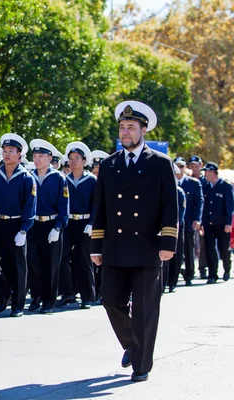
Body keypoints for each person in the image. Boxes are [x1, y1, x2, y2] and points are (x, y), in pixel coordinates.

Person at [91, 100, 178, 382]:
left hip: (148, 246)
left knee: (144, 308)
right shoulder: (109, 164)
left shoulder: (161, 163)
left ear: (143, 130)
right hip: (115, 246)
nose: (125, 131)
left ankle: (141, 365)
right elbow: (100, 208)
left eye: (131, 127)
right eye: (122, 127)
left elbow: (170, 206)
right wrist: (96, 247)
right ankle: (131, 342)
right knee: (109, 301)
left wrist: (168, 243)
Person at [0, 134, 35, 318]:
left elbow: (29, 206)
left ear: (19, 155)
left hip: (17, 224)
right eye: (4, 151)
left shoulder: (27, 178)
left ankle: (18, 304)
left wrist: (23, 230)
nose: (7, 154)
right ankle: (4, 293)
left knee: (17, 265)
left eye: (11, 151)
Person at [27, 139, 69, 314]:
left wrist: (58, 227)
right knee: (32, 261)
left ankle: (49, 301)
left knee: (51, 264)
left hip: (51, 224)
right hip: (33, 224)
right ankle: (36, 295)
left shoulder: (59, 178)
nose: (37, 160)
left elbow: (64, 205)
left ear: (49, 158)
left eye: (41, 156)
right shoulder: (29, 176)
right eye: (35, 156)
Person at [57, 142, 96, 309]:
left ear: (84, 161)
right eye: (71, 159)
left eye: (77, 158)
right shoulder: (64, 180)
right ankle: (68, 293)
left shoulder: (92, 181)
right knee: (61, 256)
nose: (73, 162)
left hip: (85, 223)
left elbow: (97, 204)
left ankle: (87, 296)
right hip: (68, 223)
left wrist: (92, 223)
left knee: (84, 259)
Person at [200, 162, 234, 284]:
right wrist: (202, 223)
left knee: (223, 248)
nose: (205, 174)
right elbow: (203, 206)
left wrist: (228, 223)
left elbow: (229, 206)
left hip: (222, 223)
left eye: (207, 172)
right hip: (209, 223)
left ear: (213, 172)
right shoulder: (205, 187)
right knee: (210, 249)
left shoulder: (225, 186)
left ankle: (226, 269)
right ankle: (212, 274)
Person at [174, 157, 203, 286]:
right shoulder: (169, 182)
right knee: (174, 249)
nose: (179, 169)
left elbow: (199, 202)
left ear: (185, 168)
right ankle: (173, 275)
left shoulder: (194, 183)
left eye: (181, 166)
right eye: (177, 166)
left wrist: (198, 219)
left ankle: (189, 275)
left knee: (188, 248)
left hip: (189, 221)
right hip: (173, 223)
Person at [189, 155, 208, 279]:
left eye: (197, 166)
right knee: (192, 246)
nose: (195, 168)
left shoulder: (207, 182)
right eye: (192, 166)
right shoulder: (188, 181)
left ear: (201, 166)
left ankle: (203, 268)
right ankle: (189, 269)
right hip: (191, 218)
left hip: (205, 218)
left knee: (203, 245)